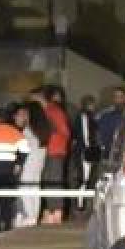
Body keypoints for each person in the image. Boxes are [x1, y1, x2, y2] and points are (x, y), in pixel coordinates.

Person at [38, 85, 72, 225]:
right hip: (53, 149)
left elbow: (65, 131)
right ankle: (51, 210)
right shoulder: (50, 110)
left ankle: (56, 212)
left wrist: (51, 134)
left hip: (55, 149)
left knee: (53, 180)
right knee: (49, 180)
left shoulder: (52, 110)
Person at [14, 100, 49, 227]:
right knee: (34, 188)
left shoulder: (28, 131)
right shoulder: (41, 131)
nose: (24, 116)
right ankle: (33, 215)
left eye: (26, 113)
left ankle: (29, 215)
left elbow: (23, 150)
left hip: (29, 164)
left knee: (25, 188)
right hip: (38, 164)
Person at [72, 94, 101, 211]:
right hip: (84, 151)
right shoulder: (84, 116)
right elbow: (85, 135)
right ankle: (80, 204)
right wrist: (88, 148)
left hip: (85, 150)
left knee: (86, 176)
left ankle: (81, 203)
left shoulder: (88, 116)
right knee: (84, 176)